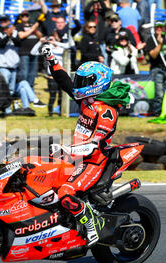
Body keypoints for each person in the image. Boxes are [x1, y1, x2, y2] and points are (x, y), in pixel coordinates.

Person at [39, 44, 131, 247]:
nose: (77, 84)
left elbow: (93, 146)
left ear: (97, 84)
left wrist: (67, 150)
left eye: (83, 81)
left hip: (94, 161)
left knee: (65, 194)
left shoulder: (107, 112)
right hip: (75, 157)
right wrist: (52, 59)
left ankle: (92, 226)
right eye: (79, 80)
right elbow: (64, 82)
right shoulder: (86, 100)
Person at [145, 21, 166, 116]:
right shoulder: (151, 39)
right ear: (154, 28)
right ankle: (157, 112)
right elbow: (153, 55)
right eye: (157, 27)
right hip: (157, 68)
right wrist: (159, 44)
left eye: (161, 27)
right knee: (159, 94)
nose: (159, 29)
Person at [0, 14, 21, 95]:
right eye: (1, 21)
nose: (2, 22)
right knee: (3, 89)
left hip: (13, 66)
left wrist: (11, 36)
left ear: (9, 22)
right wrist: (7, 36)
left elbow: (18, 43)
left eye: (4, 21)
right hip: (3, 66)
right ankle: (4, 107)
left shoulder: (15, 32)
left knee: (11, 90)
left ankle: (8, 106)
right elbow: (0, 44)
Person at [16, 10, 42, 87]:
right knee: (24, 73)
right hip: (24, 53)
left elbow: (40, 36)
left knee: (32, 73)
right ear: (21, 17)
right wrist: (32, 29)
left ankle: (30, 89)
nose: (25, 17)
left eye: (26, 15)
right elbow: (21, 36)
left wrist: (35, 29)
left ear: (29, 16)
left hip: (34, 53)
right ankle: (23, 89)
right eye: (23, 16)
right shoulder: (19, 26)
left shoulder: (32, 25)